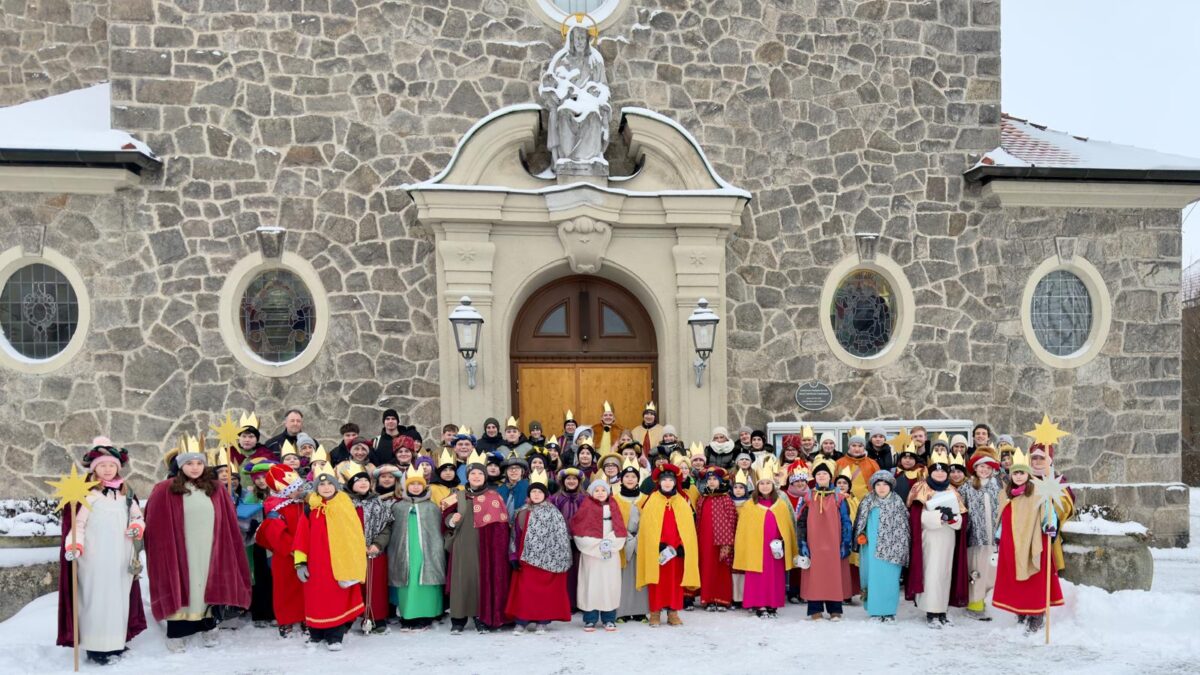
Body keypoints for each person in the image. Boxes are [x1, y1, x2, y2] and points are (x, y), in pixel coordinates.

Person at [145, 439, 250, 652]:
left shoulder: (216, 489)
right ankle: (178, 633)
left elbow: (228, 522)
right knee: (183, 586)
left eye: (199, 463)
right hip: (180, 550)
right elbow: (155, 525)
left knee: (208, 587)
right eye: (189, 463)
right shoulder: (165, 489)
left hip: (211, 549)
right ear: (180, 465)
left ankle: (208, 627)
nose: (195, 467)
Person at [58, 440, 147, 665]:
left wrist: (137, 526)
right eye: (102, 465)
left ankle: (115, 642)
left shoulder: (126, 493)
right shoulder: (88, 494)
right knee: (96, 600)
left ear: (118, 467)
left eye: (112, 465)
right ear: (93, 468)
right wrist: (75, 545)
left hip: (121, 554)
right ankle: (96, 647)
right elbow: (77, 525)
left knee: (118, 599)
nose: (107, 469)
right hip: (94, 557)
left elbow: (137, 517)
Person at [992, 447, 1064, 634]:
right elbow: (1002, 517)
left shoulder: (1039, 492)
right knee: (1017, 580)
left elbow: (1048, 513)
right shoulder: (1005, 495)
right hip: (1012, 542)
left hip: (1033, 541)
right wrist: (998, 536)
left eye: (1022, 473)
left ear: (1028, 474)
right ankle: (1022, 611)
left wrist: (1050, 525)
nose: (1018, 476)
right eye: (1015, 473)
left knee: (1033, 578)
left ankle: (1037, 614)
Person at [294, 467, 366, 650]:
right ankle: (315, 634)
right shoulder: (311, 508)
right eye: (322, 484)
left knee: (336, 599)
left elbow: (354, 535)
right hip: (316, 563)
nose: (326, 487)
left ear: (336, 486)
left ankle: (335, 636)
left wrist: (354, 561)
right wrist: (300, 562)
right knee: (315, 599)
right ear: (316, 488)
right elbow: (301, 536)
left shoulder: (345, 505)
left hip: (338, 563)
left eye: (329, 484)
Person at [444, 449, 511, 634]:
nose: (476, 476)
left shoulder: (494, 496)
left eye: (480, 473)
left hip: (484, 546)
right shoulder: (457, 495)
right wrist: (451, 519)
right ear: (467, 476)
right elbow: (444, 517)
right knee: (461, 581)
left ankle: (480, 617)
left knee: (480, 581)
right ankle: (458, 619)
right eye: (472, 473)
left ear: (485, 476)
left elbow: (501, 527)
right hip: (462, 544)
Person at [905, 448, 969, 629]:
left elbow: (962, 516)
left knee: (945, 573)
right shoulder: (921, 488)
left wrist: (954, 520)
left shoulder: (953, 491)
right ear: (930, 472)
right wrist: (937, 518)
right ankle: (931, 611)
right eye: (936, 470)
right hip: (930, 537)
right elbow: (916, 516)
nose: (940, 473)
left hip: (948, 537)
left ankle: (942, 610)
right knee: (931, 573)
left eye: (943, 470)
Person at [506, 469, 573, 634]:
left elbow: (561, 536)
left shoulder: (553, 512)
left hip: (548, 559)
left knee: (545, 592)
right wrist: (513, 555)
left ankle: (542, 620)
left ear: (545, 494)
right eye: (533, 491)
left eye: (539, 491)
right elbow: (515, 534)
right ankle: (521, 621)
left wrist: (560, 557)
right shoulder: (522, 512)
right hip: (526, 557)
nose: (536, 494)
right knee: (525, 590)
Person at [636, 463, 699, 626]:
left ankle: (673, 612)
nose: (667, 483)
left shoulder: (682, 501)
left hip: (676, 551)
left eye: (670, 479)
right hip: (657, 550)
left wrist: (682, 546)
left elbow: (687, 527)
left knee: (675, 582)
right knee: (656, 581)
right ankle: (655, 612)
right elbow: (647, 527)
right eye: (664, 479)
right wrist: (657, 545)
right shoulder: (652, 500)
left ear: (675, 482)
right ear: (659, 482)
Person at [387, 465, 445, 632]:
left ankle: (426, 616)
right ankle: (407, 616)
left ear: (424, 486)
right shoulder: (398, 507)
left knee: (425, 578)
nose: (415, 487)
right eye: (412, 484)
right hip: (404, 550)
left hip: (427, 551)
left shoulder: (432, 507)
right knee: (408, 579)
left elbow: (437, 531)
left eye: (419, 484)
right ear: (407, 487)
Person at [734, 465, 796, 619]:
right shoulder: (750, 505)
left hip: (775, 548)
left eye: (768, 483)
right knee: (758, 576)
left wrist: (783, 540)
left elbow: (787, 527)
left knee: (774, 576)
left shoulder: (780, 504)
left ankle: (772, 603)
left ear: (773, 485)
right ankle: (759, 604)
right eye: (762, 483)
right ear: (757, 486)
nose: (765, 486)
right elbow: (743, 530)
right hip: (756, 547)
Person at [252, 462, 307, 638]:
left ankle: (306, 618)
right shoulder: (276, 507)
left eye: (300, 487)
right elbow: (276, 534)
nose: (299, 491)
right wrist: (294, 550)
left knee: (305, 587)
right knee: (285, 589)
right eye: (295, 489)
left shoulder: (303, 503)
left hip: (305, 552)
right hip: (286, 555)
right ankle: (286, 620)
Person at [342, 463, 393, 634]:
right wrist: (356, 546)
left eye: (365, 480)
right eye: (358, 481)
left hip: (373, 551)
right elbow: (341, 528)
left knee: (375, 586)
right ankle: (349, 617)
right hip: (351, 551)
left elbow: (386, 526)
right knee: (352, 585)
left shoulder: (378, 502)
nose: (363, 483)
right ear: (351, 485)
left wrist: (377, 544)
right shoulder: (345, 504)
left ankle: (376, 617)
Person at [797, 459, 851, 621]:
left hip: (834, 543)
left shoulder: (839, 498)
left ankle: (835, 609)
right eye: (818, 473)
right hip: (814, 543)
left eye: (825, 473)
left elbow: (846, 521)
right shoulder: (808, 497)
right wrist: (802, 542)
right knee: (815, 576)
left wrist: (846, 542)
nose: (821, 476)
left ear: (830, 477)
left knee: (833, 574)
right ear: (815, 477)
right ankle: (815, 609)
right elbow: (800, 521)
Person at [570, 479, 626, 632]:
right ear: (591, 492)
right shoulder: (585, 507)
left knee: (609, 586)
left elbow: (620, 529)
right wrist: (596, 546)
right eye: (597, 490)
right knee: (591, 586)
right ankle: (590, 619)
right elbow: (578, 531)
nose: (600, 493)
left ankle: (609, 618)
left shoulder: (614, 506)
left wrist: (609, 543)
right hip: (591, 555)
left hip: (610, 553)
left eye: (603, 490)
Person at [854, 471, 909, 623]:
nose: (882, 488)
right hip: (871, 547)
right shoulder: (867, 501)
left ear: (890, 486)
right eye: (878, 484)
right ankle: (875, 611)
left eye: (885, 484)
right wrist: (861, 534)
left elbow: (904, 526)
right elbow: (860, 522)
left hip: (893, 548)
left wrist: (901, 546)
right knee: (873, 578)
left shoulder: (897, 502)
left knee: (890, 579)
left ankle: (889, 611)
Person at [960, 447, 1002, 621]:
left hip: (993, 538)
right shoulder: (967, 487)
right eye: (981, 467)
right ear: (975, 469)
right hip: (975, 537)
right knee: (976, 571)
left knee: (990, 572)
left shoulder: (997, 487)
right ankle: (975, 605)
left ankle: (988, 603)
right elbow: (961, 508)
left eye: (988, 467)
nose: (984, 470)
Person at [695, 466, 738, 611]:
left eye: (715, 479)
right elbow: (699, 519)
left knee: (721, 568)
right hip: (704, 538)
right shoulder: (702, 498)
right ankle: (708, 598)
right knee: (706, 567)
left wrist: (729, 540)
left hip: (722, 539)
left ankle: (722, 599)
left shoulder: (726, 498)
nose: (712, 482)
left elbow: (732, 519)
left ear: (720, 481)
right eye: (709, 479)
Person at [612, 459, 649, 622]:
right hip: (622, 541)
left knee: (639, 574)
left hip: (642, 539)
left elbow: (650, 520)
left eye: (633, 476)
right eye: (627, 476)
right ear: (621, 479)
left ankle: (640, 610)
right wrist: (625, 536)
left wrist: (641, 534)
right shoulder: (615, 498)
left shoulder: (645, 498)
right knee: (623, 577)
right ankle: (623, 611)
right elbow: (612, 519)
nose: (630, 479)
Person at [836, 431, 881, 500]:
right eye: (854, 445)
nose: (857, 449)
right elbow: (833, 484)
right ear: (849, 447)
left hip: (866, 503)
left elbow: (879, 484)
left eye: (860, 446)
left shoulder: (872, 463)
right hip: (844, 503)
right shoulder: (839, 463)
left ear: (864, 448)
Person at [496, 454, 530, 519]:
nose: (513, 471)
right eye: (510, 468)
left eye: (517, 468)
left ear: (522, 471)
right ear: (506, 472)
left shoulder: (529, 488)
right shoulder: (499, 491)